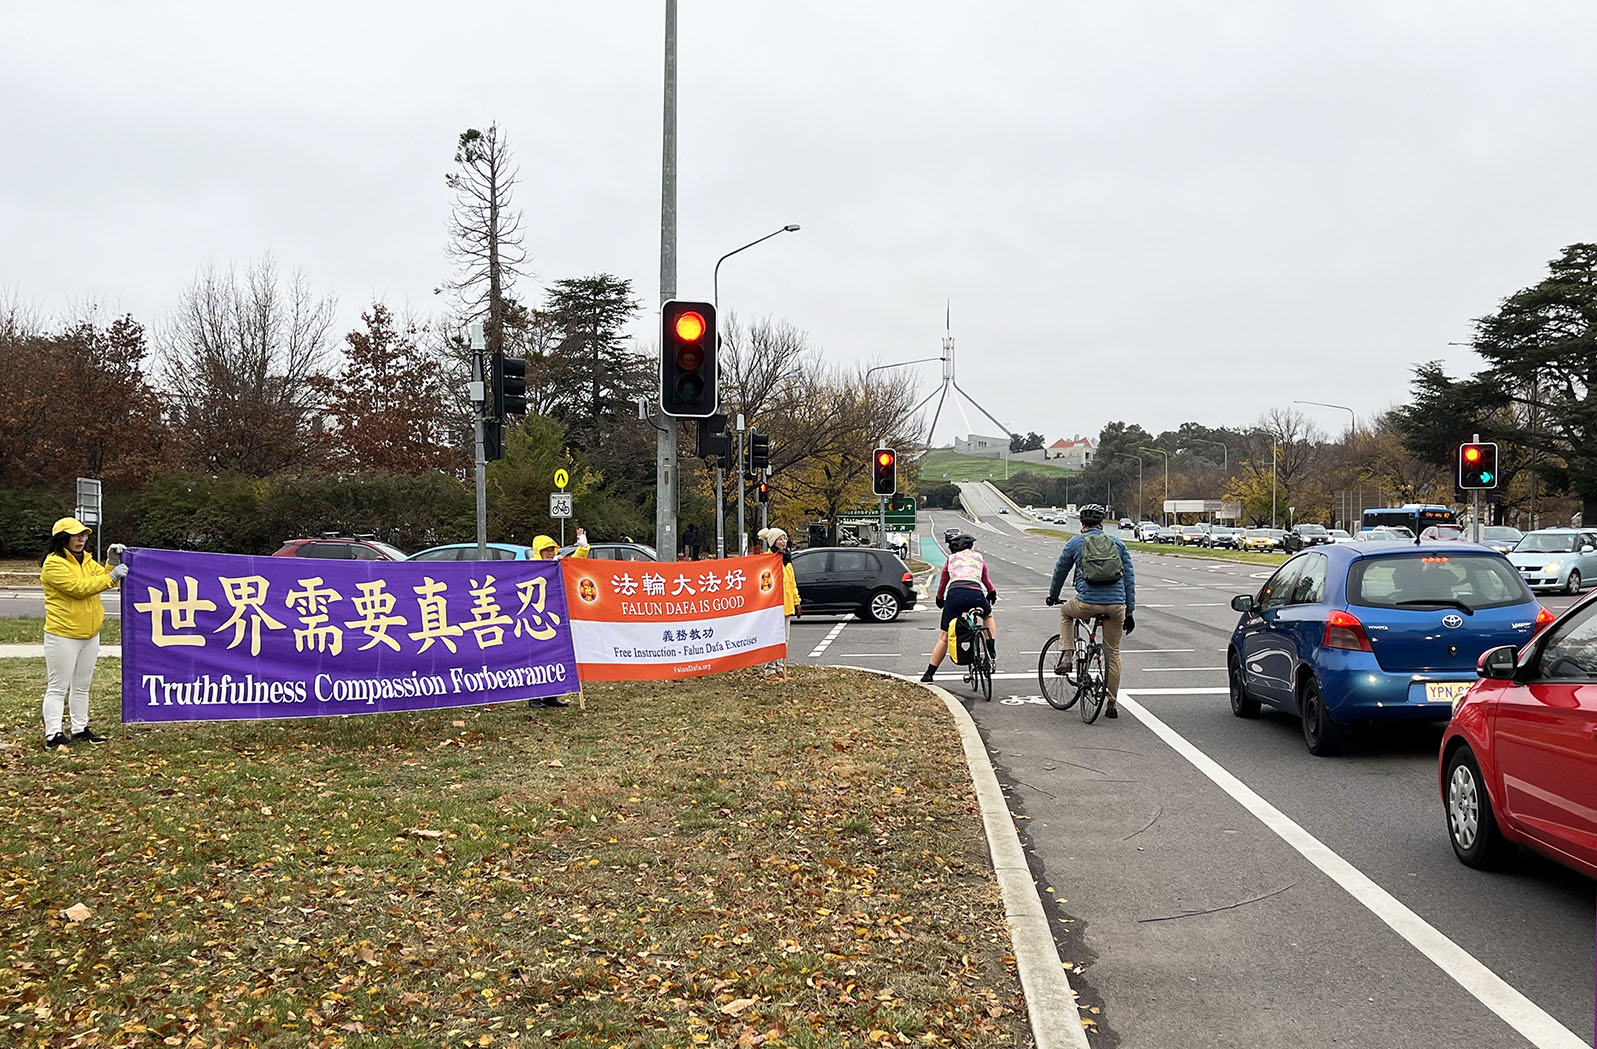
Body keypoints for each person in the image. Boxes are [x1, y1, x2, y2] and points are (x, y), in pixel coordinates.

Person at [40, 518, 125, 749]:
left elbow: (103, 579)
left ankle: (80, 729)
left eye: (84, 535)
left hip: (90, 634)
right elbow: (79, 589)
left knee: (82, 686)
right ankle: (53, 735)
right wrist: (111, 576)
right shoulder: (53, 564)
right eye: (75, 535)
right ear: (62, 539)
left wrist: (111, 562)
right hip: (63, 634)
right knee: (58, 686)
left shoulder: (86, 560)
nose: (81, 539)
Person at [1045, 503, 1135, 719]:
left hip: (1086, 603)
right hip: (1116, 605)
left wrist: (1053, 595)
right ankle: (1111, 703)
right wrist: (1129, 612)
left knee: (1066, 612)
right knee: (1113, 652)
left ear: (1082, 524)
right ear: (1102, 524)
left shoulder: (1075, 543)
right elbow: (1129, 579)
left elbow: (1060, 570)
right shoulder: (1118, 543)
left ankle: (1067, 656)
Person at [920, 530, 998, 682]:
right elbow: (985, 580)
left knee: (943, 637)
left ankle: (929, 673)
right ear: (969, 546)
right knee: (988, 616)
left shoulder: (951, 559)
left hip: (955, 596)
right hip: (976, 595)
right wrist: (992, 593)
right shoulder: (979, 557)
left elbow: (943, 582)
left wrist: (939, 598)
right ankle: (990, 648)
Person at [528, 535, 571, 708]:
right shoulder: (530, 566)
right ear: (538, 551)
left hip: (553, 618)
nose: (550, 553)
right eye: (546, 550)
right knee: (537, 659)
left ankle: (551, 695)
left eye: (552, 549)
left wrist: (583, 548)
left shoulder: (554, 565)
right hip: (535, 620)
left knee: (554, 657)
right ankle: (534, 697)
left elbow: (575, 567)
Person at [759, 527, 801, 679]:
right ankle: (769, 669)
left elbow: (792, 584)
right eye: (780, 539)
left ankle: (779, 667)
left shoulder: (787, 561)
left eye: (785, 538)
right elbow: (764, 584)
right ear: (773, 542)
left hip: (787, 606)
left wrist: (797, 602)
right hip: (773, 607)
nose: (783, 542)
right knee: (772, 638)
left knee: (784, 639)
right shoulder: (767, 560)